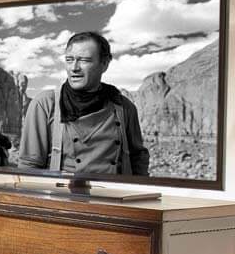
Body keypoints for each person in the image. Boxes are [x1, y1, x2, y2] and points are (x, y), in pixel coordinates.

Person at [13, 30, 149, 179]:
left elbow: (138, 160)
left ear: (104, 64)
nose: (74, 68)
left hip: (113, 198)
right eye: (69, 60)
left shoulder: (124, 107)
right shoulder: (45, 104)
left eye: (84, 60)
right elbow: (28, 167)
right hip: (62, 198)